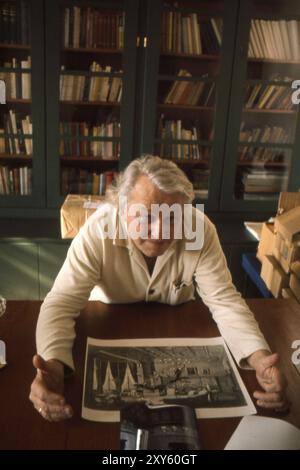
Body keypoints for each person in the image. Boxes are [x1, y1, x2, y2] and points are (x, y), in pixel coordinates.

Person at [29, 155, 288, 421]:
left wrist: (259, 359)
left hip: (178, 329)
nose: (159, 231)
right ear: (121, 206)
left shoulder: (200, 229)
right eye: (145, 216)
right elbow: (61, 301)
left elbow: (224, 301)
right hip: (106, 325)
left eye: (173, 218)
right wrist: (54, 364)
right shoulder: (98, 229)